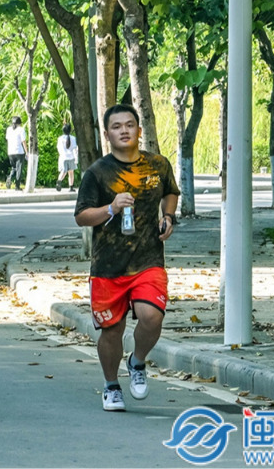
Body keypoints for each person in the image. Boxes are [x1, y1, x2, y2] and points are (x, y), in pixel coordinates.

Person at [74, 104, 179, 412]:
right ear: (107, 134)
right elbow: (81, 217)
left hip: (148, 260)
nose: (124, 130)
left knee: (152, 317)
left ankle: (137, 361)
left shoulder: (158, 165)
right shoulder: (97, 173)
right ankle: (111, 386)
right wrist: (111, 208)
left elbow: (171, 191)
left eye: (129, 125)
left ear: (139, 130)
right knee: (112, 330)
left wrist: (168, 217)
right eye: (117, 126)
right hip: (108, 266)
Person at [5, 116, 27, 190]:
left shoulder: (8, 129)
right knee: (19, 169)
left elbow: (7, 140)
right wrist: (27, 152)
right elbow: (23, 141)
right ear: (19, 123)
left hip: (10, 151)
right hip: (19, 152)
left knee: (14, 168)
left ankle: (10, 177)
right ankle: (17, 186)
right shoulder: (21, 130)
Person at [56, 123, 78, 192]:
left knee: (63, 171)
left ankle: (59, 181)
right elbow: (74, 149)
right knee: (71, 173)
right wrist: (76, 158)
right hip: (71, 157)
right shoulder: (73, 138)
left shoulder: (60, 139)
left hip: (63, 157)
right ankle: (71, 187)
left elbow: (58, 148)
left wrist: (61, 154)